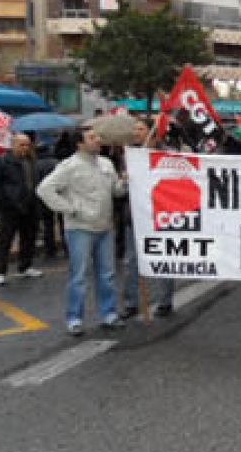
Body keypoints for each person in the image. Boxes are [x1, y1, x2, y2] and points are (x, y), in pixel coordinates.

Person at [37, 126, 128, 336]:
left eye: (97, 136)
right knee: (78, 276)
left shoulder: (106, 164)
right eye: (92, 137)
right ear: (80, 143)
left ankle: (109, 314)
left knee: (107, 274)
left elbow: (115, 190)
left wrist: (124, 182)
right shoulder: (69, 166)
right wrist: (70, 209)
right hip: (79, 229)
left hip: (105, 227)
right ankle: (74, 318)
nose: (98, 139)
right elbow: (44, 189)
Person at [121, 119, 174, 320]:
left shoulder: (166, 155)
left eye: (141, 128)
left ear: (152, 133)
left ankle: (165, 301)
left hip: (160, 215)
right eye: (134, 128)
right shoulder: (129, 156)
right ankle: (130, 303)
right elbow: (122, 186)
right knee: (131, 261)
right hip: (134, 216)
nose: (136, 132)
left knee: (163, 258)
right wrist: (125, 179)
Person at [0, 133, 44, 286]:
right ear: (13, 145)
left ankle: (25, 267)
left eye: (27, 144)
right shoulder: (2, 161)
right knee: (5, 240)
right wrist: (4, 203)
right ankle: (0, 272)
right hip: (10, 208)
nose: (25, 148)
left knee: (29, 237)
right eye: (21, 144)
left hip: (30, 205)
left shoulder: (32, 161)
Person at [35, 144, 61, 258]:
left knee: (48, 224)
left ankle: (50, 250)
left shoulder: (36, 165)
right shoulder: (57, 162)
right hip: (60, 196)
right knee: (63, 223)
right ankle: (67, 247)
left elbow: (36, 182)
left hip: (44, 198)